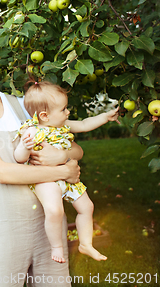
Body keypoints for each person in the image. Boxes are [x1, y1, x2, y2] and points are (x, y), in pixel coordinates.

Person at [0, 26, 82, 287]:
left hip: (48, 224)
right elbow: (3, 173)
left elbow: (75, 149)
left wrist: (64, 155)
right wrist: (63, 171)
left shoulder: (23, 106)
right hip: (3, 230)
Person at [13, 81, 119, 263]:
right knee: (55, 210)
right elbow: (19, 158)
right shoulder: (32, 131)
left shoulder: (62, 125)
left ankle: (86, 244)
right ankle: (57, 247)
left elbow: (85, 124)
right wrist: (23, 146)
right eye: (63, 109)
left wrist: (105, 117)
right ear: (45, 115)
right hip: (46, 180)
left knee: (87, 207)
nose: (67, 112)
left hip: (68, 178)